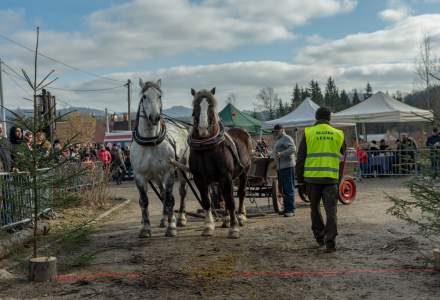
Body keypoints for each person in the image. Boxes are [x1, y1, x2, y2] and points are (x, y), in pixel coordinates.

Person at [296, 107, 346, 253]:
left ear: (316, 118)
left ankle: (319, 237)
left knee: (314, 209)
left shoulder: (308, 132)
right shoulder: (338, 134)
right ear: (329, 118)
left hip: (312, 180)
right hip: (330, 179)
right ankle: (331, 241)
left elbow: (300, 159)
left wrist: (300, 181)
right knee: (332, 211)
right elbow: (343, 153)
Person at [272, 124, 296, 217]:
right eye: (275, 131)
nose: (276, 132)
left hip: (288, 167)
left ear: (282, 130)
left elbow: (293, 149)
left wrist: (281, 154)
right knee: (283, 190)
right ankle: (286, 209)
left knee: (288, 188)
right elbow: (276, 153)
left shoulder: (286, 138)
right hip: (281, 167)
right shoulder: (278, 140)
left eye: (278, 131)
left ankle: (291, 210)